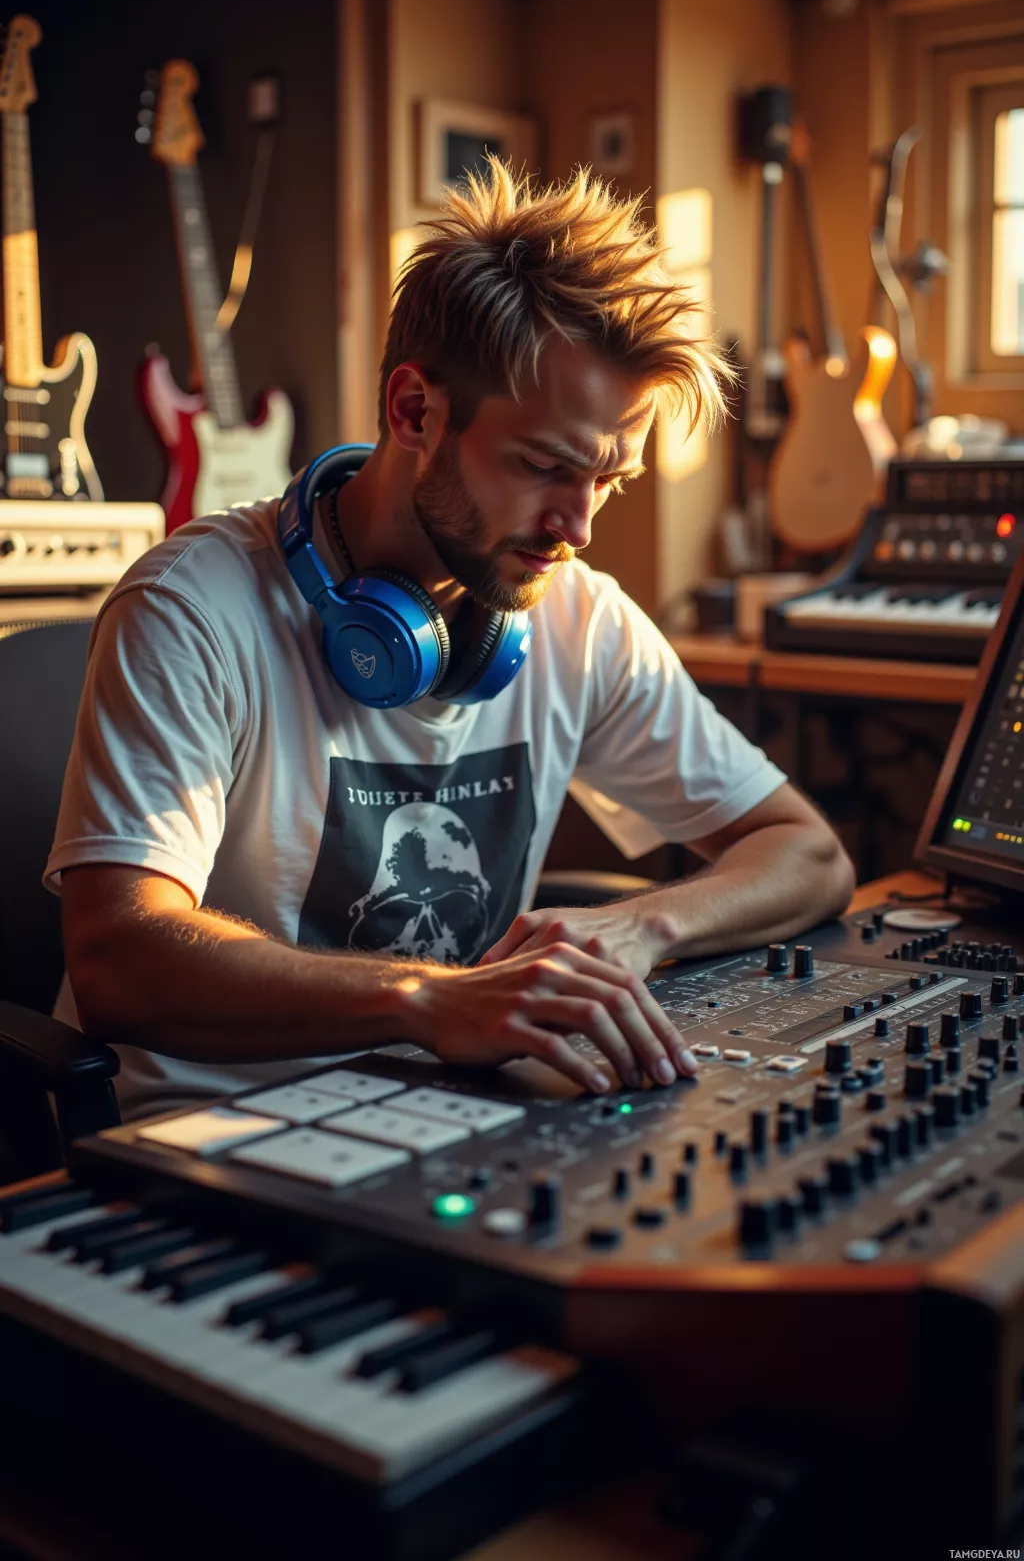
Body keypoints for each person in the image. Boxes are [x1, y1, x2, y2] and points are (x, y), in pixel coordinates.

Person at [47, 159, 854, 1119]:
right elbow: (118, 959)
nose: (580, 526)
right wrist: (429, 998)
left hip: (455, 1118)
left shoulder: (578, 617)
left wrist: (642, 928)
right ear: (414, 411)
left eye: (610, 480)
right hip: (200, 1140)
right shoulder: (194, 608)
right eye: (546, 467)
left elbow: (808, 854)